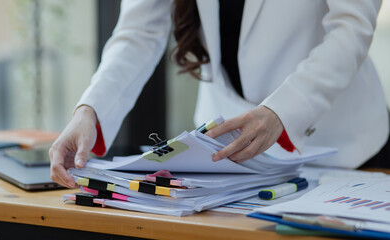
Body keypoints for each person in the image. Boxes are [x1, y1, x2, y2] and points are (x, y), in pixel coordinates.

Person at [50, 0, 388, 188]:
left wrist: (282, 112)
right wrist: (89, 110)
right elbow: (139, 31)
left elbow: (352, 29)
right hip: (223, 152)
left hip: (340, 144)